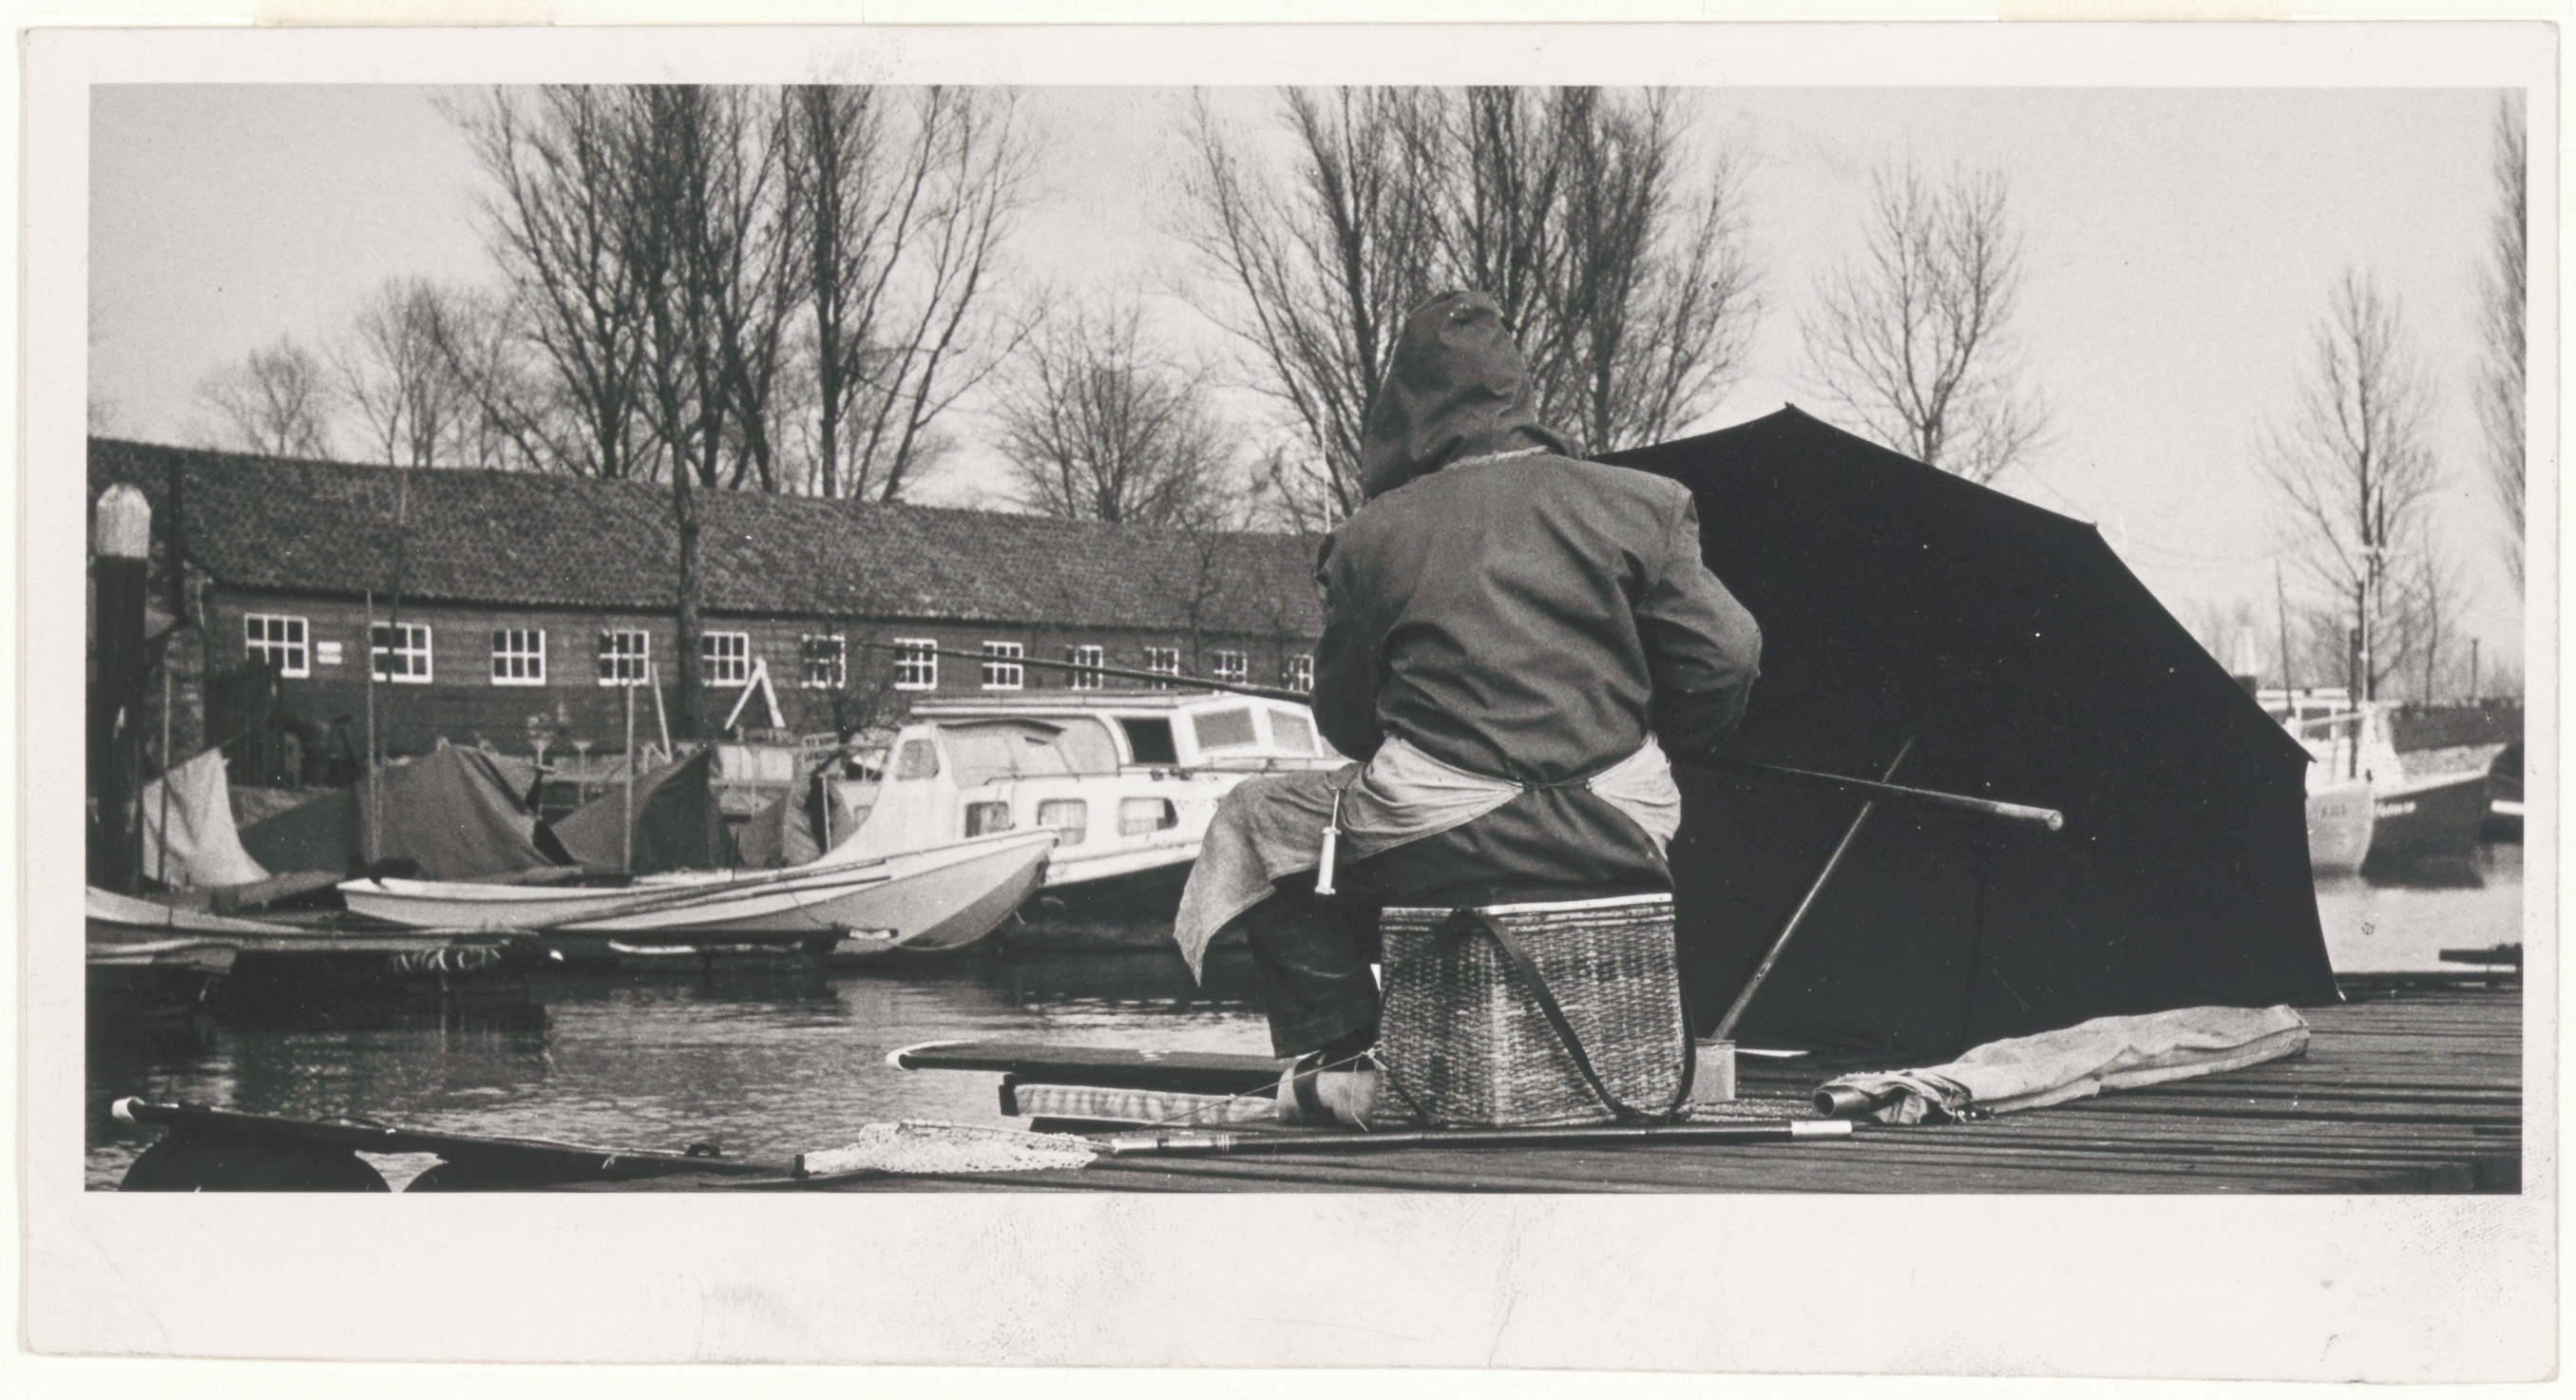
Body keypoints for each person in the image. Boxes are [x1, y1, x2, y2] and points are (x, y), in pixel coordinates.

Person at [1172, 289, 1764, 1069]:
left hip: (1441, 837)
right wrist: (1652, 734)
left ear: (1405, 406)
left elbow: (1347, 725)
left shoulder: (1368, 536)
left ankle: (1352, 1058)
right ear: (1518, 391)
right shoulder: (1643, 503)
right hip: (1620, 821)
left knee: (1254, 820)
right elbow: (1728, 655)